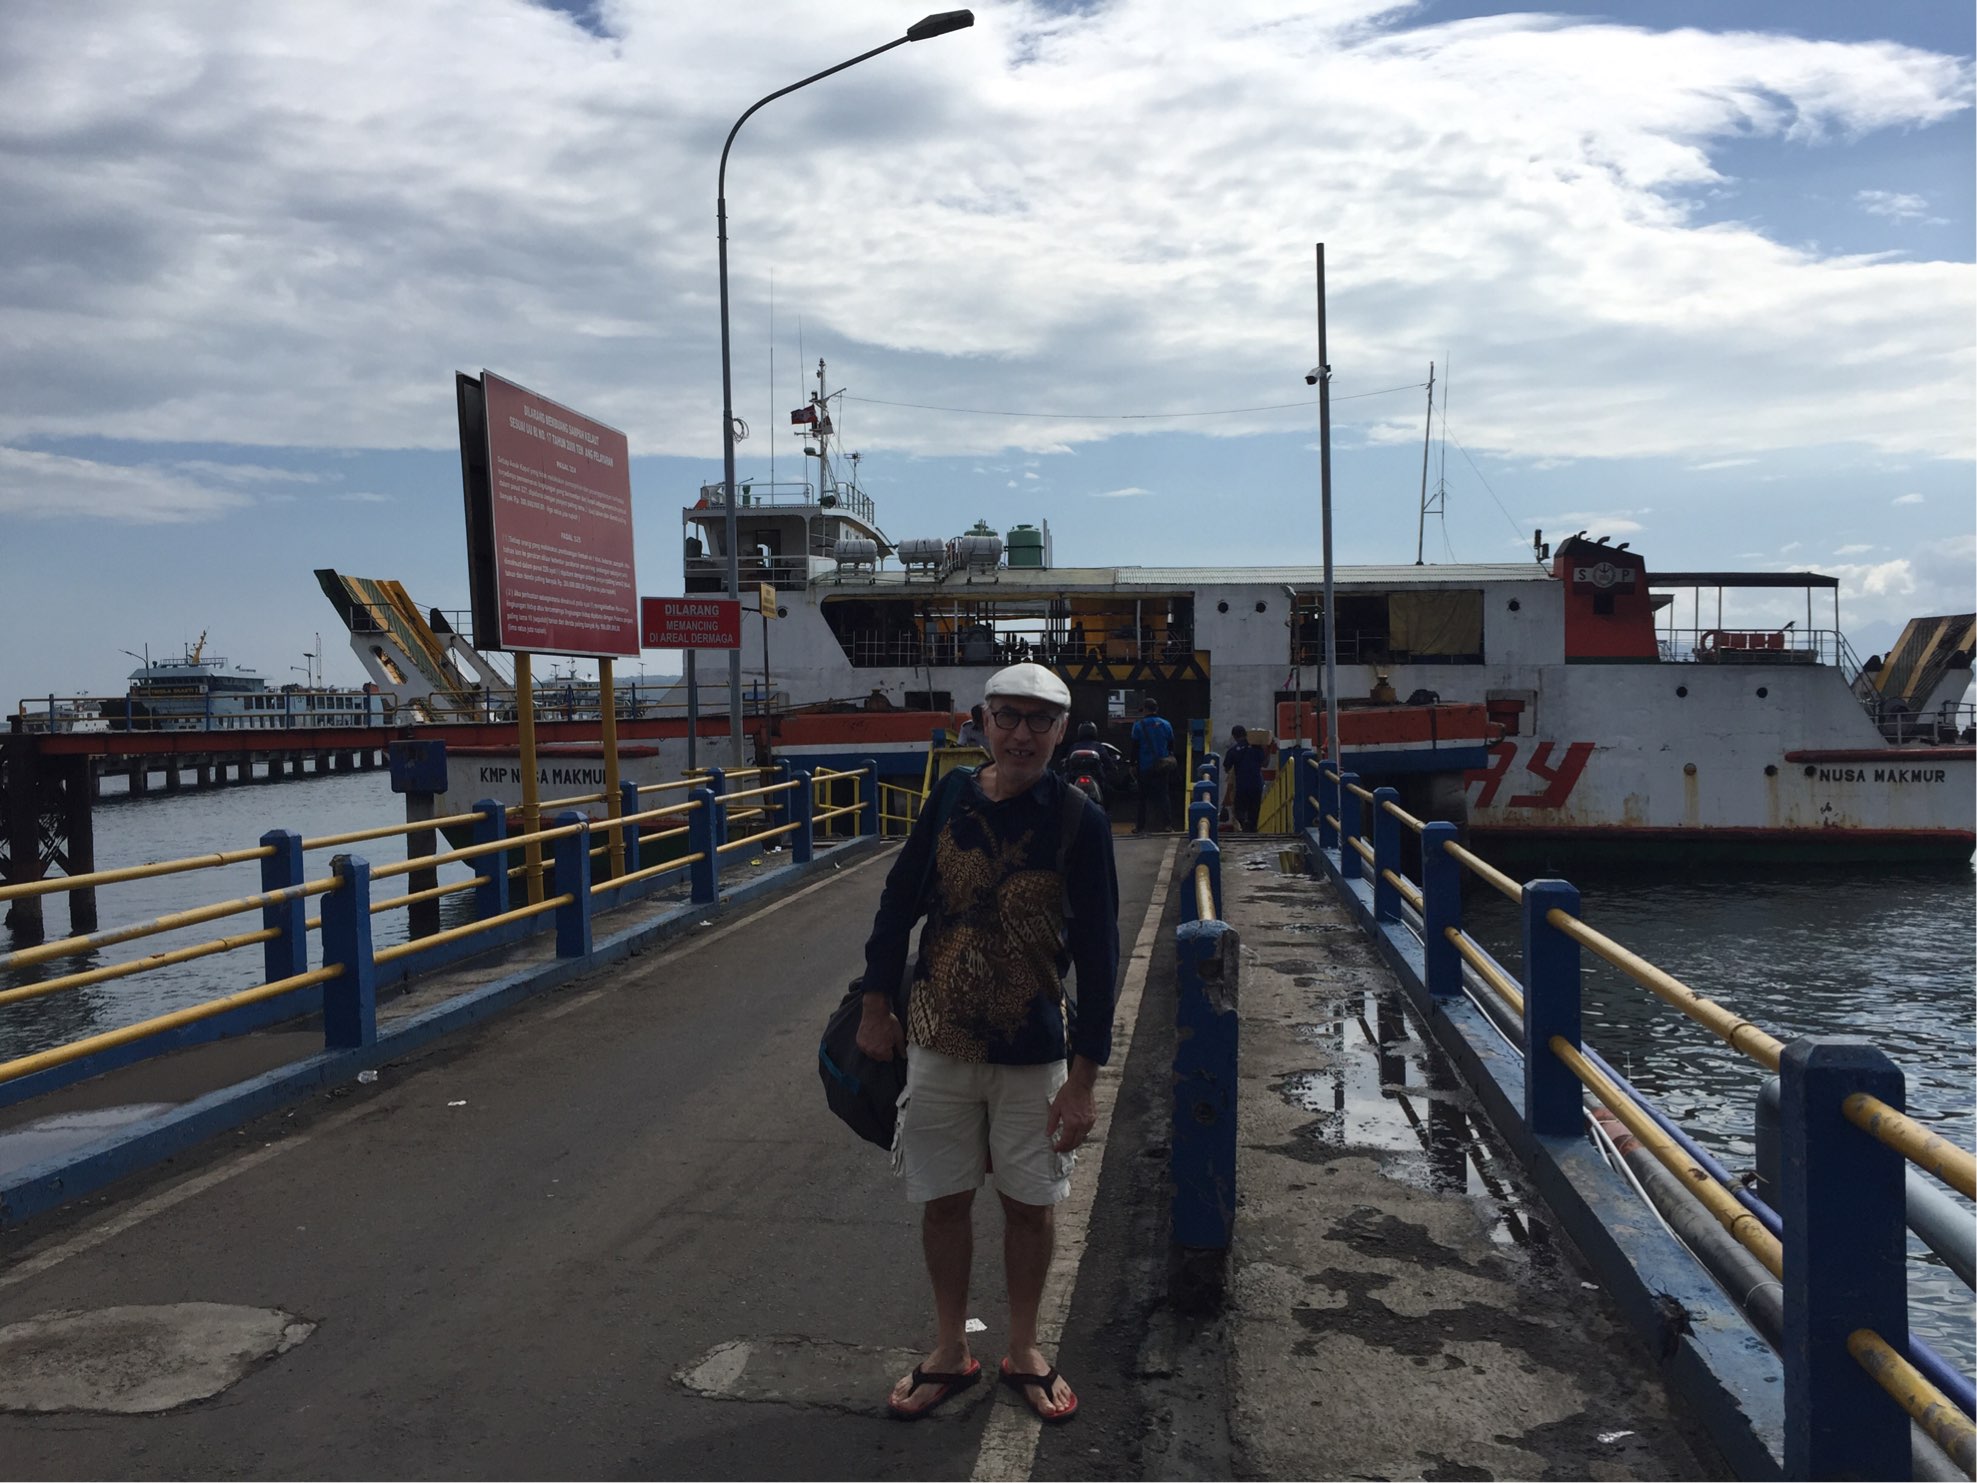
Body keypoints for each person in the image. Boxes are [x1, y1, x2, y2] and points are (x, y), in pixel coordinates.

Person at [856, 662, 1120, 1425]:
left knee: (1030, 1205)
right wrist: (876, 1005)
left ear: (1060, 730)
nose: (1021, 733)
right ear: (982, 721)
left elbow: (1099, 954)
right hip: (937, 1039)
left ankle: (1024, 1348)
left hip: (1033, 1049)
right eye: (1007, 715)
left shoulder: (1078, 819)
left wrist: (1083, 1079)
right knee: (942, 1201)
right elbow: (896, 904)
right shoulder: (949, 797)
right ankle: (949, 1347)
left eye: (1039, 720)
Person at [1130, 696, 1176, 834]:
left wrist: (1132, 764)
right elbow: (1171, 745)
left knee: (1142, 798)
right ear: (1156, 709)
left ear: (1145, 710)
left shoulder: (1138, 726)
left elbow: (1134, 747)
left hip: (1145, 766)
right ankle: (1167, 825)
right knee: (1163, 796)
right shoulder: (1166, 724)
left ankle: (1140, 827)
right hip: (1162, 766)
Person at [1220, 724, 1274, 833]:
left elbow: (1226, 768)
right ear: (1246, 734)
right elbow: (1265, 764)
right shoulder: (1257, 748)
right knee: (1254, 810)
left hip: (1242, 786)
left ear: (1234, 736)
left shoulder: (1233, 750)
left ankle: (1243, 824)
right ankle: (1252, 830)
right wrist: (1268, 750)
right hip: (1256, 785)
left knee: (1240, 809)